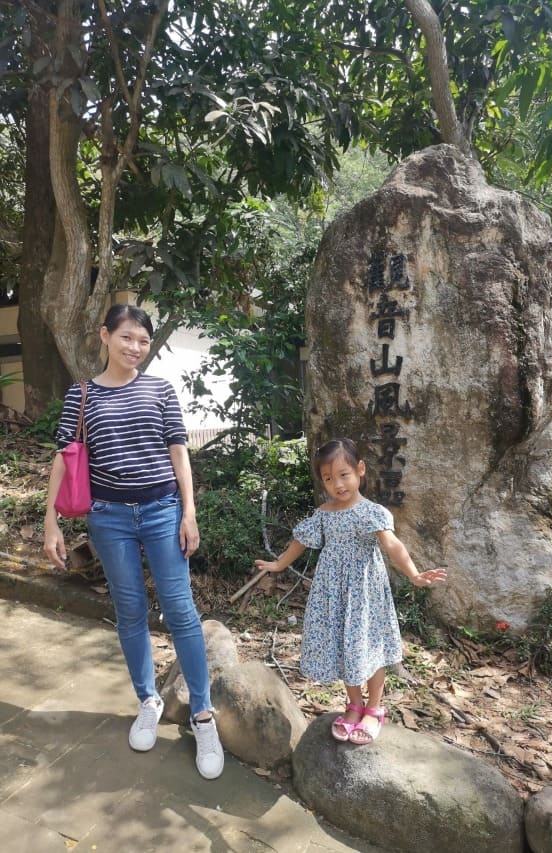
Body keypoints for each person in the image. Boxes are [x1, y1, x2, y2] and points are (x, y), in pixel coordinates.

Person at [43, 304, 223, 780]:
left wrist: (189, 511)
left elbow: (178, 452)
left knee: (181, 610)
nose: (135, 348)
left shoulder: (160, 390)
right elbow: (65, 458)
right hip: (108, 518)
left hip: (163, 511)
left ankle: (203, 715)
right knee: (129, 611)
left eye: (143, 341)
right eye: (126, 338)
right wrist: (50, 523)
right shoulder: (82, 395)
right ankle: (148, 699)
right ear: (105, 336)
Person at [255, 438, 447, 744]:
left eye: (344, 474)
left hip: (365, 594)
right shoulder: (324, 512)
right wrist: (279, 565)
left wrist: (414, 574)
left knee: (369, 649)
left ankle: (374, 709)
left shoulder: (371, 511)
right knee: (345, 647)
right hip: (333, 592)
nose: (337, 484)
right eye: (329, 478)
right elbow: (301, 541)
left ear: (360, 470)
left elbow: (392, 544)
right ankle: (354, 705)